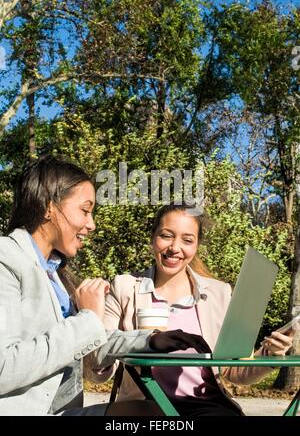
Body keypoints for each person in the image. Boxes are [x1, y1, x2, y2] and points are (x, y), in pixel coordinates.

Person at [0, 157, 210, 416]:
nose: (92, 224)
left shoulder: (53, 272)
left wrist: (151, 340)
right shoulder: (6, 258)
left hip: (65, 412)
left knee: (155, 413)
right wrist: (88, 319)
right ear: (49, 207)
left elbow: (85, 347)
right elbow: (3, 369)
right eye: (85, 211)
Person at [100, 202, 294, 417]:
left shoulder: (219, 294)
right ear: (152, 238)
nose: (175, 247)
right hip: (146, 408)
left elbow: (235, 370)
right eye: (166, 235)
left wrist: (270, 354)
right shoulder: (124, 287)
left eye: (187, 240)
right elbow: (99, 362)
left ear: (196, 246)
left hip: (207, 408)